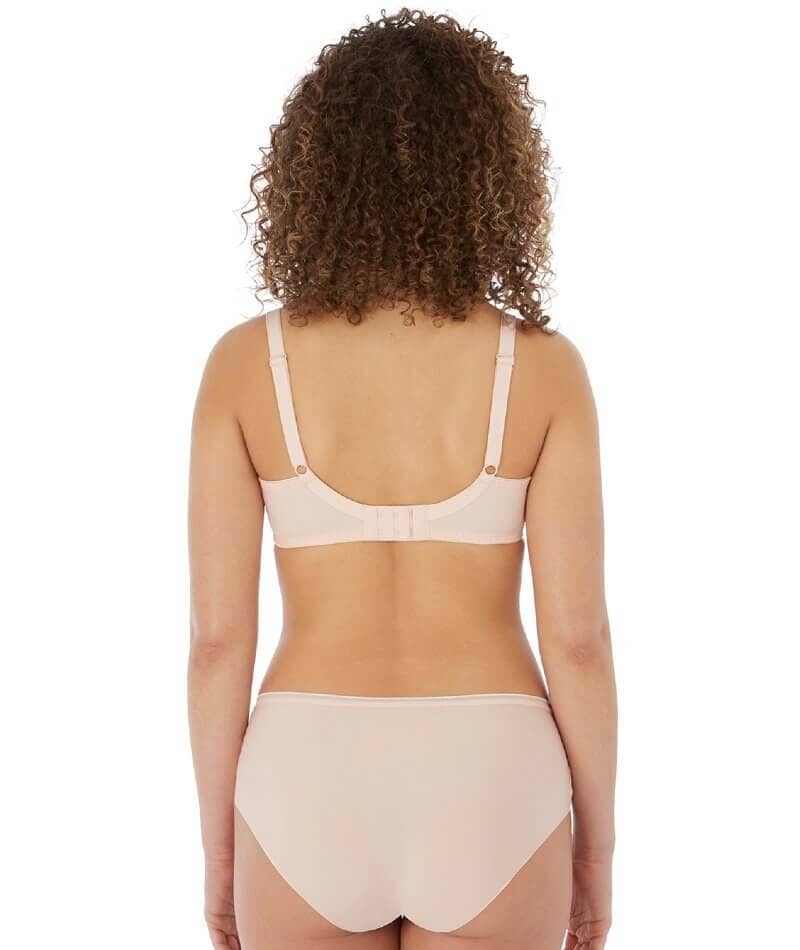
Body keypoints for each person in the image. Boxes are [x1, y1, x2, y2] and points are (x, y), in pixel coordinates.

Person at [187, 8, 617, 950]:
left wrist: (221, 855)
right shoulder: (543, 369)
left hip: (306, 774)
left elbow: (219, 645)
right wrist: (595, 857)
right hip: (492, 775)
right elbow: (578, 643)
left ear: (314, 174)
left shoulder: (244, 366)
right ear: (489, 174)